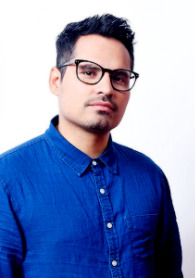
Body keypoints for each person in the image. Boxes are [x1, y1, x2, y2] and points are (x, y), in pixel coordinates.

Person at [0, 14, 183, 277]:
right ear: (56, 80)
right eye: (89, 72)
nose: (106, 88)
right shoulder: (8, 177)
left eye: (119, 77)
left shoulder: (149, 176)